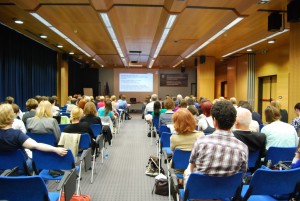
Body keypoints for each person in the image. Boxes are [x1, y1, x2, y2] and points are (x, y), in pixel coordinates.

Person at [185, 100, 248, 183]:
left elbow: (191, 168)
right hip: (227, 193)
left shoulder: (201, 142)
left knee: (187, 171)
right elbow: (242, 174)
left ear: (214, 121)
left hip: (200, 192)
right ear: (234, 122)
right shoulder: (242, 147)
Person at [0, 104, 67, 173]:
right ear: (11, 117)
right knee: (34, 160)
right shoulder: (17, 134)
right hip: (19, 169)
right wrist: (55, 149)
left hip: (1, 169)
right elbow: (36, 145)